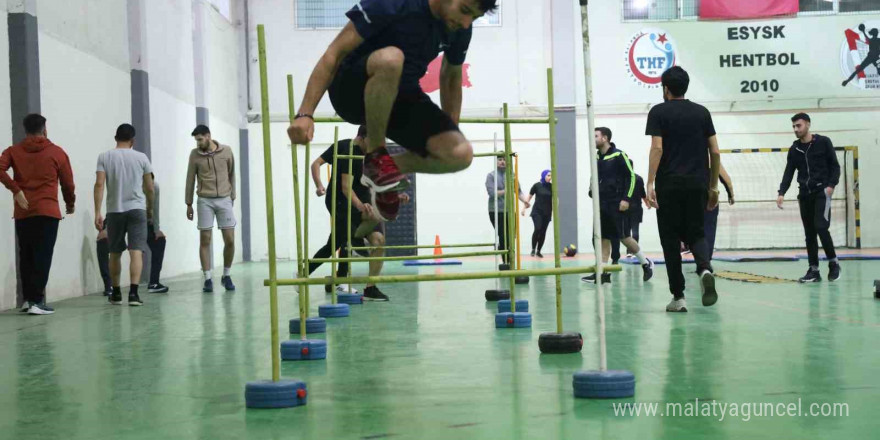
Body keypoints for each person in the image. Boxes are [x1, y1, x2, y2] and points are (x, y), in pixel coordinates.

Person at [287, 0, 499, 223]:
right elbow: (334, 53)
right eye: (465, 10)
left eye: (473, 18)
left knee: (459, 154)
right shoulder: (392, 4)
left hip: (400, 95)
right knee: (391, 59)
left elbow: (451, 75)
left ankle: (383, 170)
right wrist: (305, 113)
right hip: (350, 89)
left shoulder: (460, 28)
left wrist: (449, 133)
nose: (466, 23)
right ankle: (376, 155)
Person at [645, 66, 721, 313]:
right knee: (696, 232)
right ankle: (705, 268)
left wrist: (649, 182)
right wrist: (713, 187)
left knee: (670, 240)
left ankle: (678, 297)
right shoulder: (702, 112)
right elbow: (715, 152)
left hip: (670, 185)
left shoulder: (658, 112)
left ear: (665, 88)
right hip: (698, 183)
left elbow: (657, 148)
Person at [308, 126, 404, 301]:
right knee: (341, 241)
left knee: (378, 241)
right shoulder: (347, 151)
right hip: (341, 202)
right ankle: (311, 273)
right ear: (362, 137)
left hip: (361, 202)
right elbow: (345, 187)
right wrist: (319, 185)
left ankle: (370, 287)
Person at [0, 114, 75, 315]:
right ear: (45, 129)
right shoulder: (57, 153)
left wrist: (16, 190)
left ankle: (28, 299)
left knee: (26, 255)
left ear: (25, 130)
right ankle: (36, 301)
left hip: (24, 212)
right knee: (43, 255)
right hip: (48, 212)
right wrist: (70, 203)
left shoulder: (13, 151)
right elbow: (67, 183)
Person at [582, 128, 653, 284]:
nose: (593, 139)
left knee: (624, 237)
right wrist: (591, 189)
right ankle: (603, 273)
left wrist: (626, 199)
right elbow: (594, 176)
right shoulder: (597, 157)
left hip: (617, 204)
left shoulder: (619, 155)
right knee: (603, 238)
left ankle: (646, 264)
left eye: (596, 136)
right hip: (602, 203)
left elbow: (631, 177)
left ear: (605, 138)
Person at [777, 113, 841, 283]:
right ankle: (814, 270)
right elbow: (789, 172)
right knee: (809, 233)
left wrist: (831, 186)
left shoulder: (823, 142)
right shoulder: (794, 149)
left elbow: (835, 166)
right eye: (794, 127)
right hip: (804, 195)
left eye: (799, 125)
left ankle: (834, 263)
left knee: (821, 226)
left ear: (808, 125)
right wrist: (781, 192)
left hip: (822, 192)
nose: (796, 129)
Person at [94, 123, 154, 307]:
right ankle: (134, 294)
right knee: (136, 251)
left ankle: (117, 292)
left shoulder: (104, 156)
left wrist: (97, 211)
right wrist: (149, 208)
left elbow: (99, 184)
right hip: (137, 209)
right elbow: (150, 187)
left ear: (115, 138)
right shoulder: (142, 157)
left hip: (114, 211)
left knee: (115, 253)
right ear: (133, 140)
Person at [185, 125, 237, 293]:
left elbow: (232, 174)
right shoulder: (194, 155)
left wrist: (232, 196)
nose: (198, 143)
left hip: (224, 199)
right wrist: (188, 204)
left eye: (200, 139)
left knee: (230, 239)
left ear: (208, 136)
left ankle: (226, 275)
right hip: (204, 200)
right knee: (205, 239)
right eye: (196, 140)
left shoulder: (226, 151)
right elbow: (190, 179)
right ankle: (207, 278)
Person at [486, 156, 529, 265]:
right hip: (496, 211)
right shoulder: (491, 176)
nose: (502, 161)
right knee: (503, 235)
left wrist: (525, 201)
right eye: (500, 159)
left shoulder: (512, 175)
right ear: (496, 162)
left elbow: (518, 191)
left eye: (504, 159)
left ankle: (509, 258)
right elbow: (492, 193)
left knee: (511, 235)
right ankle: (506, 261)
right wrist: (507, 190)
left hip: (510, 210)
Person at [610, 164, 648, 264]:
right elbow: (643, 194)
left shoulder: (620, 179)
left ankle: (617, 257)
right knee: (634, 231)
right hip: (635, 208)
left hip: (623, 208)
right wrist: (647, 203)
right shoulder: (638, 178)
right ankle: (632, 252)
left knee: (621, 234)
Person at [146, 173, 169, 293]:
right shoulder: (130, 186)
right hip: (129, 221)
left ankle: (154, 282)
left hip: (144, 223)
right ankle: (110, 288)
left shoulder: (154, 186)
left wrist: (156, 230)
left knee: (159, 241)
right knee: (104, 240)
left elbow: (155, 208)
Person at [524, 170, 552, 258]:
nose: (550, 177)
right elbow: (529, 197)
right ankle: (533, 249)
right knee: (538, 228)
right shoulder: (537, 185)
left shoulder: (551, 187)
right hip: (537, 212)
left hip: (547, 212)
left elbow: (555, 199)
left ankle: (538, 251)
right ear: (544, 176)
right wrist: (524, 208)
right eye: (548, 175)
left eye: (551, 176)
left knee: (543, 232)